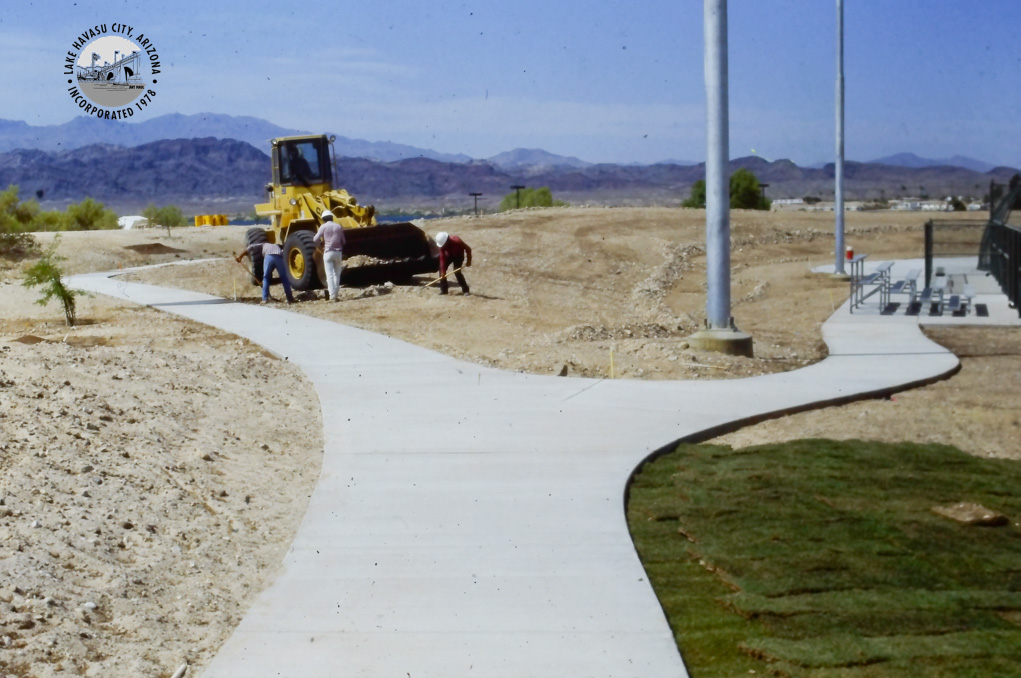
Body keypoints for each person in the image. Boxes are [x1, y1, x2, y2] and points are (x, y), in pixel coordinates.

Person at [236, 240, 295, 304]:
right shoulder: (277, 247)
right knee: (284, 278)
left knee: (266, 278)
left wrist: (240, 257)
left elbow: (250, 247)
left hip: (269, 257)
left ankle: (265, 299)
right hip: (279, 258)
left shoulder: (263, 244)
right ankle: (290, 299)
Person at [313, 209, 346, 301]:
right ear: (332, 217)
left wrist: (320, 245)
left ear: (323, 219)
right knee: (337, 274)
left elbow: (315, 239)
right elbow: (343, 241)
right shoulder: (338, 227)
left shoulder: (323, 227)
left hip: (327, 252)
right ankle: (335, 295)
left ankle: (332, 297)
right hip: (338, 253)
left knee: (329, 275)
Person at [435, 231, 471, 295]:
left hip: (458, 255)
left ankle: (465, 290)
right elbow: (442, 258)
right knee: (441, 270)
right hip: (449, 255)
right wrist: (443, 271)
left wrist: (468, 261)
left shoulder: (457, 241)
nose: (443, 246)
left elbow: (468, 249)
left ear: (447, 241)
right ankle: (444, 290)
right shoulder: (442, 245)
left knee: (457, 272)